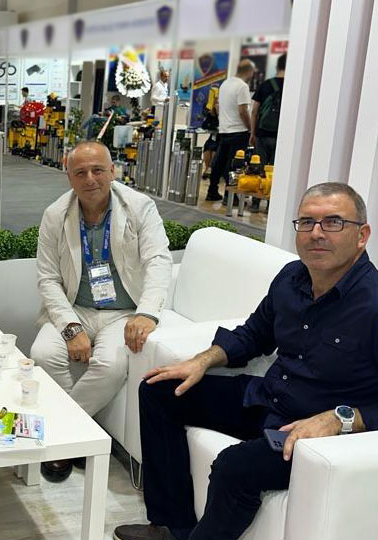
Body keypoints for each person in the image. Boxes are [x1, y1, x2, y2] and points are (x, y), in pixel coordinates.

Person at [114, 182, 378, 540]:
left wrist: (340, 419)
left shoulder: (372, 303)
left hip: (311, 432)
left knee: (234, 467)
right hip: (269, 399)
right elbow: (254, 334)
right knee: (160, 390)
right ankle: (172, 527)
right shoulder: (291, 277)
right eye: (306, 222)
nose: (316, 233)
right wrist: (202, 360)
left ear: (362, 235)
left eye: (333, 222)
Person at [30, 140, 172, 482]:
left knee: (110, 364)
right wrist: (71, 328)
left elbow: (158, 260)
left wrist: (147, 313)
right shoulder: (55, 215)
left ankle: (61, 437)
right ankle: (80, 434)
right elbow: (48, 279)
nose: (90, 178)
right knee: (42, 353)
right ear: (69, 177)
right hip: (75, 307)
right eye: (80, 172)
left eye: (98, 170)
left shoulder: (140, 207)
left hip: (123, 312)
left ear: (113, 171)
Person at [206, 60, 255, 202]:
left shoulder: (225, 84)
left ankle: (212, 191)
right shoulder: (242, 86)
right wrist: (250, 128)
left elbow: (219, 106)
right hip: (238, 131)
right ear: (249, 72)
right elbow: (243, 111)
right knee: (235, 165)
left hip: (224, 130)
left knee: (219, 163)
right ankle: (230, 196)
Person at [250, 53, 286, 166]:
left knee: (260, 168)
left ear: (277, 67)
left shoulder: (265, 85)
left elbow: (254, 112)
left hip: (262, 134)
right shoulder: (292, 86)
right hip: (282, 135)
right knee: (276, 169)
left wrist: (252, 133)